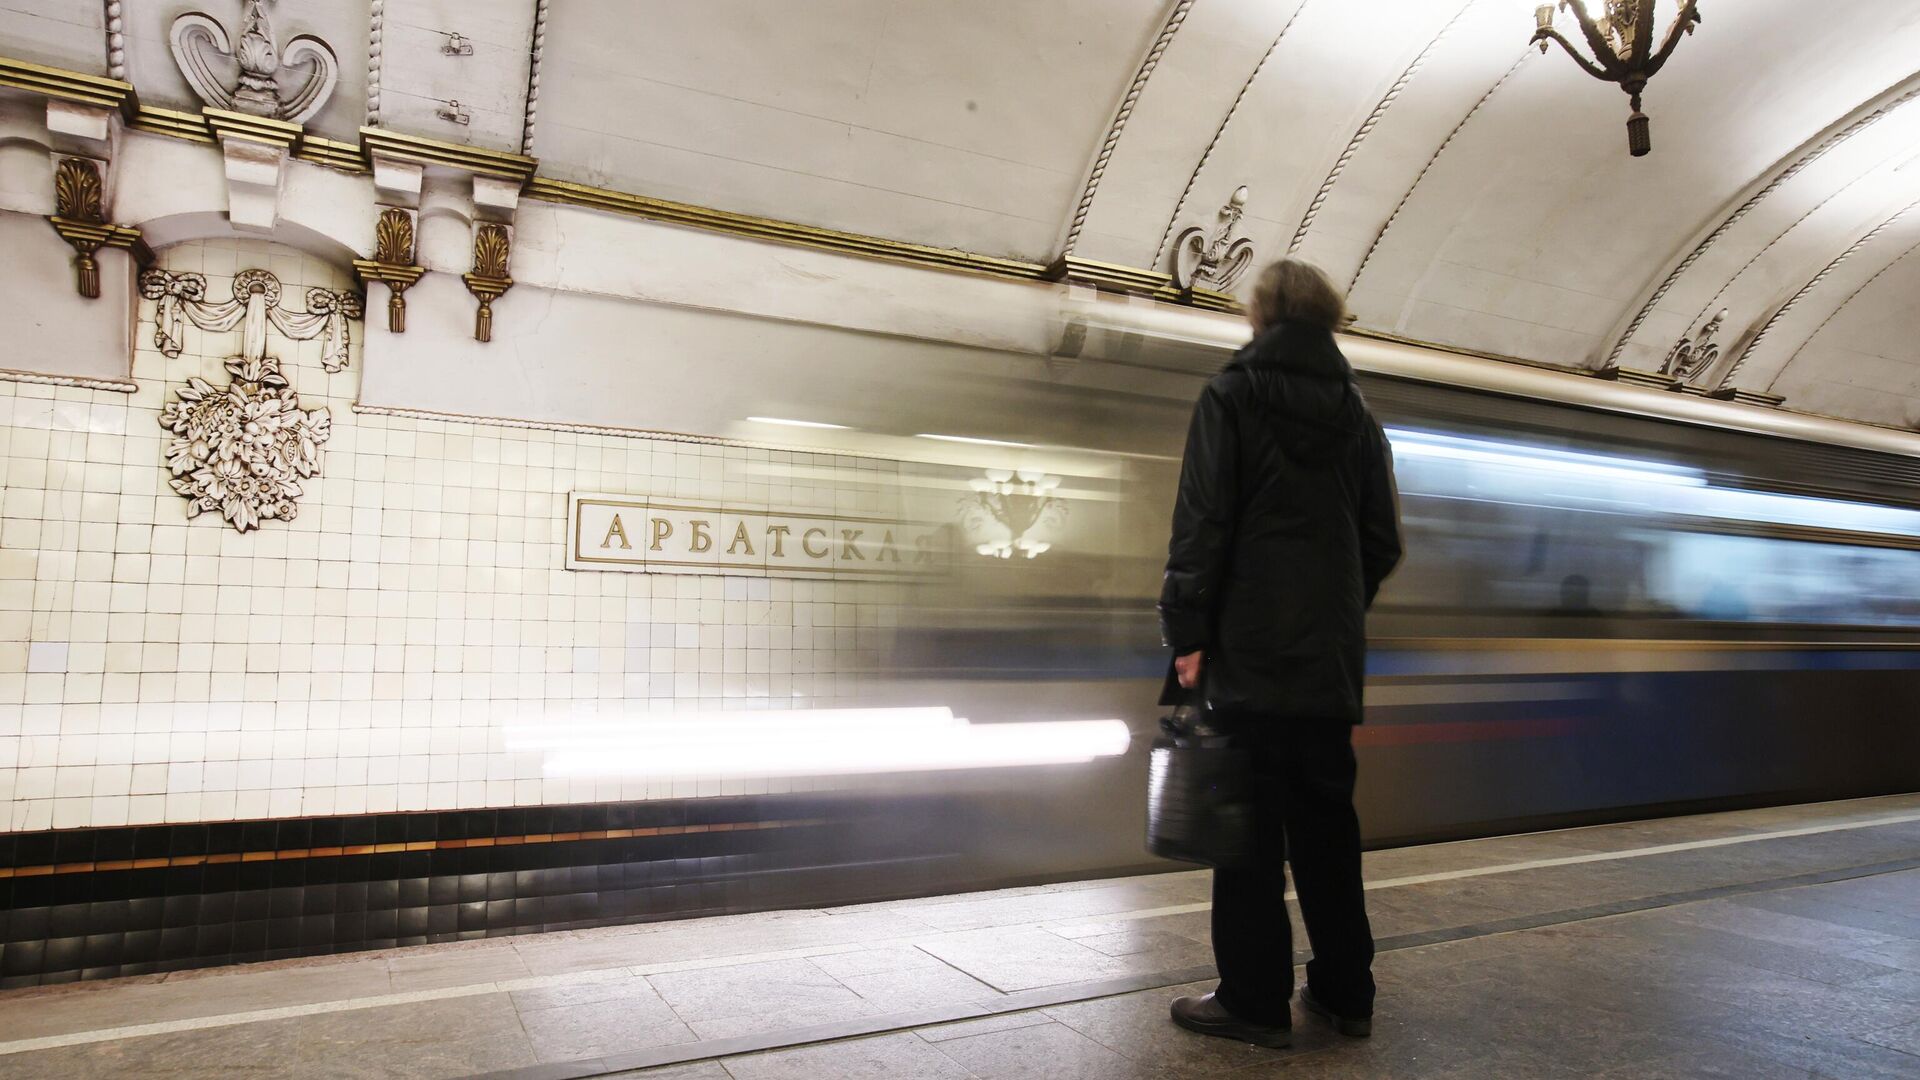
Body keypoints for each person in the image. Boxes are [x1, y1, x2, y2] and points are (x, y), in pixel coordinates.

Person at [1159, 258, 1402, 1049]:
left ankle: (1255, 1001)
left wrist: (1189, 635)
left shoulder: (1232, 396)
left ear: (1259, 317)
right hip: (1326, 668)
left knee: (1249, 834)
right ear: (1329, 321)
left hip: (1249, 660)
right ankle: (1344, 994)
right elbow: (1381, 539)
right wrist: (1332, 616)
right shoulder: (1358, 417)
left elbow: (1203, 524)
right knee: (1328, 830)